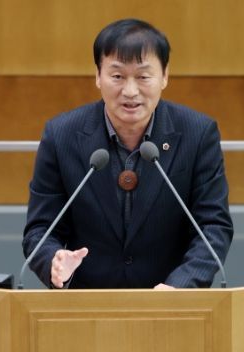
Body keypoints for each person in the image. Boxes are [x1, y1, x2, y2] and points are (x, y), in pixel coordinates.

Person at [22, 19, 233, 289]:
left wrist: (180, 287)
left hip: (171, 303)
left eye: (143, 77)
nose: (130, 91)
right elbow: (40, 230)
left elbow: (213, 227)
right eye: (117, 76)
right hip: (87, 303)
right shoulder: (61, 135)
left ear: (165, 76)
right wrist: (54, 260)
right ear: (98, 76)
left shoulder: (198, 134)